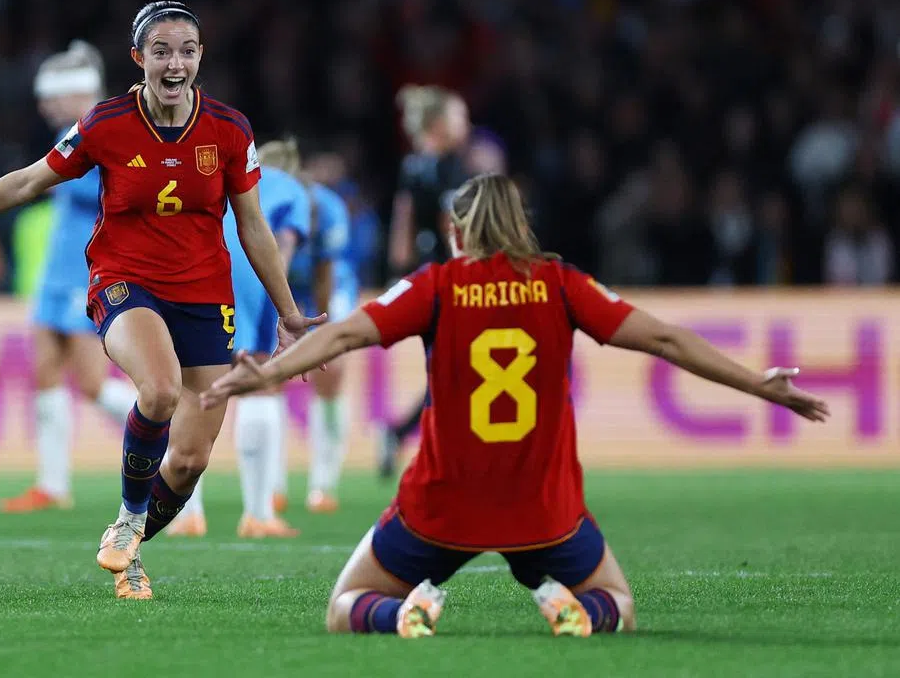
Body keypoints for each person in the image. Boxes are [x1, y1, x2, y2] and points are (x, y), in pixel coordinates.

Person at [199, 175, 829, 638]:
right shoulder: (561, 284)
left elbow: (345, 333)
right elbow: (664, 339)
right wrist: (756, 384)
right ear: (520, 227)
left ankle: (406, 614)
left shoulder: (436, 287)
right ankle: (573, 609)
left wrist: (270, 373)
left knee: (348, 604)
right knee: (618, 603)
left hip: (440, 509)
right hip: (544, 511)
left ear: (456, 230)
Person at [0, 1, 321, 601]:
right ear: (138, 59)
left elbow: (254, 228)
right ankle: (131, 520)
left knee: (189, 461)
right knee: (159, 391)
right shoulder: (105, 124)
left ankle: (127, 544)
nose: (174, 63)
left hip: (204, 294)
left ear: (200, 58)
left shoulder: (230, 131)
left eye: (186, 50)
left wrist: (290, 312)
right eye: (160, 51)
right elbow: (31, 180)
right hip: (124, 282)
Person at [0, 41, 138, 513]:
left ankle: (165, 423)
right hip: (56, 270)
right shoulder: (70, 134)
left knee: (94, 384)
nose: (43, 106)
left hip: (88, 269)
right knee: (44, 374)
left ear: (78, 95)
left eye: (51, 97)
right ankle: (52, 485)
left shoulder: (108, 135)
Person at [168, 138, 311, 538]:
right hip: (251, 272)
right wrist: (281, 303)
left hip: (203, 267)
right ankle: (259, 513)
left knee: (193, 388)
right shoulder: (292, 189)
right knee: (258, 382)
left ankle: (186, 513)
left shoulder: (231, 175)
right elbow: (281, 246)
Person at [380, 85, 471, 479]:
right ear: (439, 123)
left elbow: (403, 221)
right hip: (451, 281)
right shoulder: (449, 167)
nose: (465, 125)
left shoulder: (413, 165)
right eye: (459, 117)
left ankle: (403, 435)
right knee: (455, 370)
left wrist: (397, 274)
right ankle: (436, 452)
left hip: (423, 278)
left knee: (448, 369)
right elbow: (452, 225)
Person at [273, 149, 351, 514]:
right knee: (266, 375)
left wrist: (323, 331)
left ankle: (323, 483)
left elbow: (326, 274)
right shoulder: (267, 207)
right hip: (281, 288)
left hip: (326, 288)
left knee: (331, 372)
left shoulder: (329, 208)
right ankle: (273, 484)